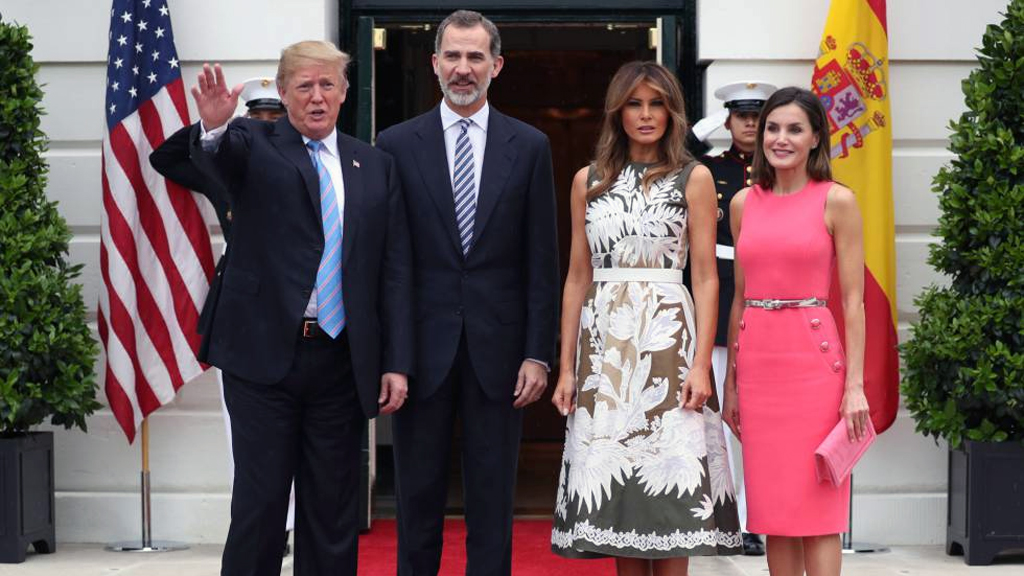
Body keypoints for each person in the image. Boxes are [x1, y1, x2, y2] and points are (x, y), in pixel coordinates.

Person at [186, 41, 413, 576]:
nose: (317, 97)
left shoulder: (373, 165)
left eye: (327, 85)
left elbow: (394, 270)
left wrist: (396, 361)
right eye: (304, 86)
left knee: (332, 513)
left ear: (344, 92)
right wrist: (214, 127)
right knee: (261, 508)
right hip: (264, 358)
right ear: (284, 93)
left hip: (340, 361)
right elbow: (219, 161)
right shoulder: (254, 143)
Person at [375, 10, 559, 576]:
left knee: (492, 498)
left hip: (500, 355)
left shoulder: (529, 146)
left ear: (496, 65)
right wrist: (393, 358)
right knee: (417, 500)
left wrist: (538, 353)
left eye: (475, 56)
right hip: (419, 354)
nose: (463, 68)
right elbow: (391, 263)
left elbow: (542, 261)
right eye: (452, 56)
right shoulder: (395, 144)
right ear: (434, 63)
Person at [550, 60, 741, 574]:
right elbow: (576, 277)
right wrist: (566, 368)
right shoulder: (587, 181)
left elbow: (706, 277)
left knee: (670, 483)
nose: (646, 114)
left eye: (657, 103)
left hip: (668, 341)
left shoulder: (694, 177)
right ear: (617, 112)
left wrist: (701, 364)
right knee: (617, 491)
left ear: (672, 112)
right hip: (604, 350)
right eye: (634, 104)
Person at [721, 86, 870, 576]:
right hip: (759, 368)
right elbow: (740, 297)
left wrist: (854, 387)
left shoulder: (837, 201)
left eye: (794, 129)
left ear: (815, 138)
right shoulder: (743, 203)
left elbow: (853, 302)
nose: (780, 139)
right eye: (772, 128)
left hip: (815, 366)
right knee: (775, 513)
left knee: (818, 511)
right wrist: (732, 383)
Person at [149, 76, 297, 554]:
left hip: (302, 308)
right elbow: (165, 158)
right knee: (248, 438)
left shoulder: (309, 159)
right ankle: (268, 527)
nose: (267, 128)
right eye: (259, 120)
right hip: (246, 312)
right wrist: (215, 125)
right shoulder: (226, 166)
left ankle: (296, 523)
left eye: (276, 120)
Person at [688, 80, 778, 557]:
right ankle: (726, 517)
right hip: (721, 293)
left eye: (757, 118)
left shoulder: (779, 169)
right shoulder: (711, 167)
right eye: (741, 116)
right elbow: (677, 156)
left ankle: (752, 518)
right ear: (728, 121)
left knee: (758, 419)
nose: (748, 124)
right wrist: (703, 130)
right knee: (721, 416)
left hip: (767, 293)